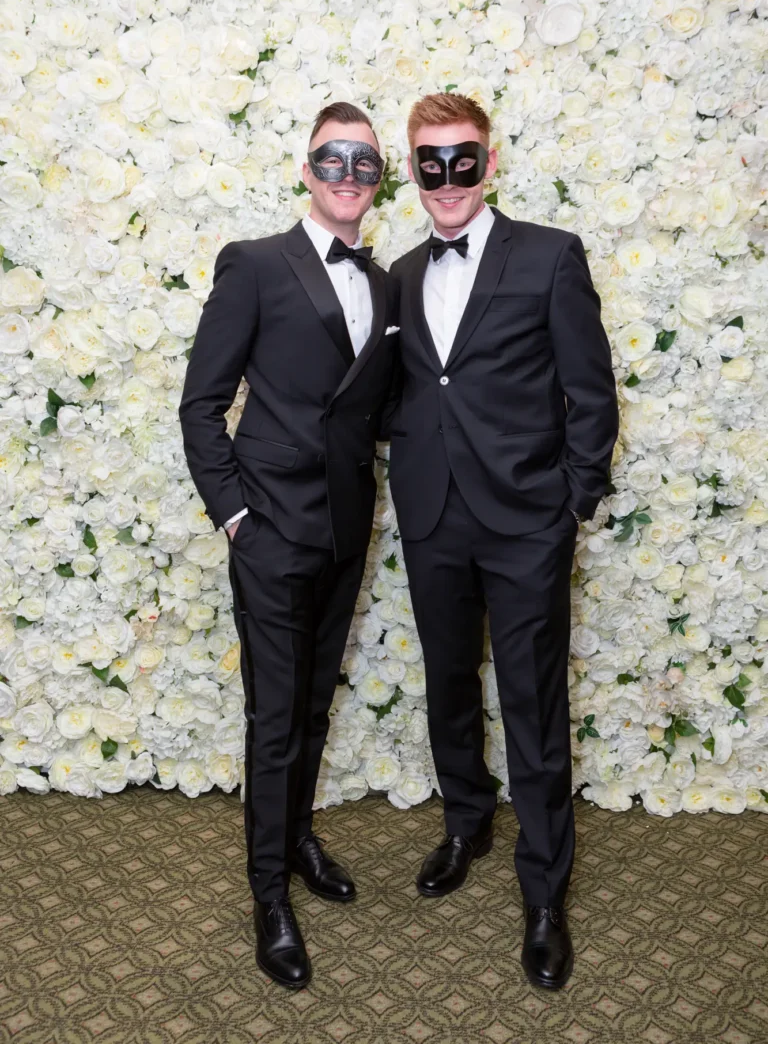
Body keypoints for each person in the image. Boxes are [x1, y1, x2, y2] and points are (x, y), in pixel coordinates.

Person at [387, 92, 618, 989]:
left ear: (489, 163)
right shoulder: (399, 273)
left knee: (532, 702)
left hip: (527, 523)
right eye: (429, 162)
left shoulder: (551, 256)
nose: (447, 178)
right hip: (432, 514)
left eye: (463, 159)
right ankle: (465, 820)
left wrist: (572, 504)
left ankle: (546, 893)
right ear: (411, 171)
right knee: (449, 685)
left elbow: (590, 393)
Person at [178, 102, 399, 990]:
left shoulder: (383, 283)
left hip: (348, 525)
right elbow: (202, 405)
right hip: (270, 529)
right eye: (332, 158)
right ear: (307, 170)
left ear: (377, 179)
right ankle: (268, 894)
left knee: (312, 706)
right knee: (274, 721)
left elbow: (375, 408)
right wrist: (235, 516)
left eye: (365, 163)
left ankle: (297, 835)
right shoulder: (256, 265)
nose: (348, 174)